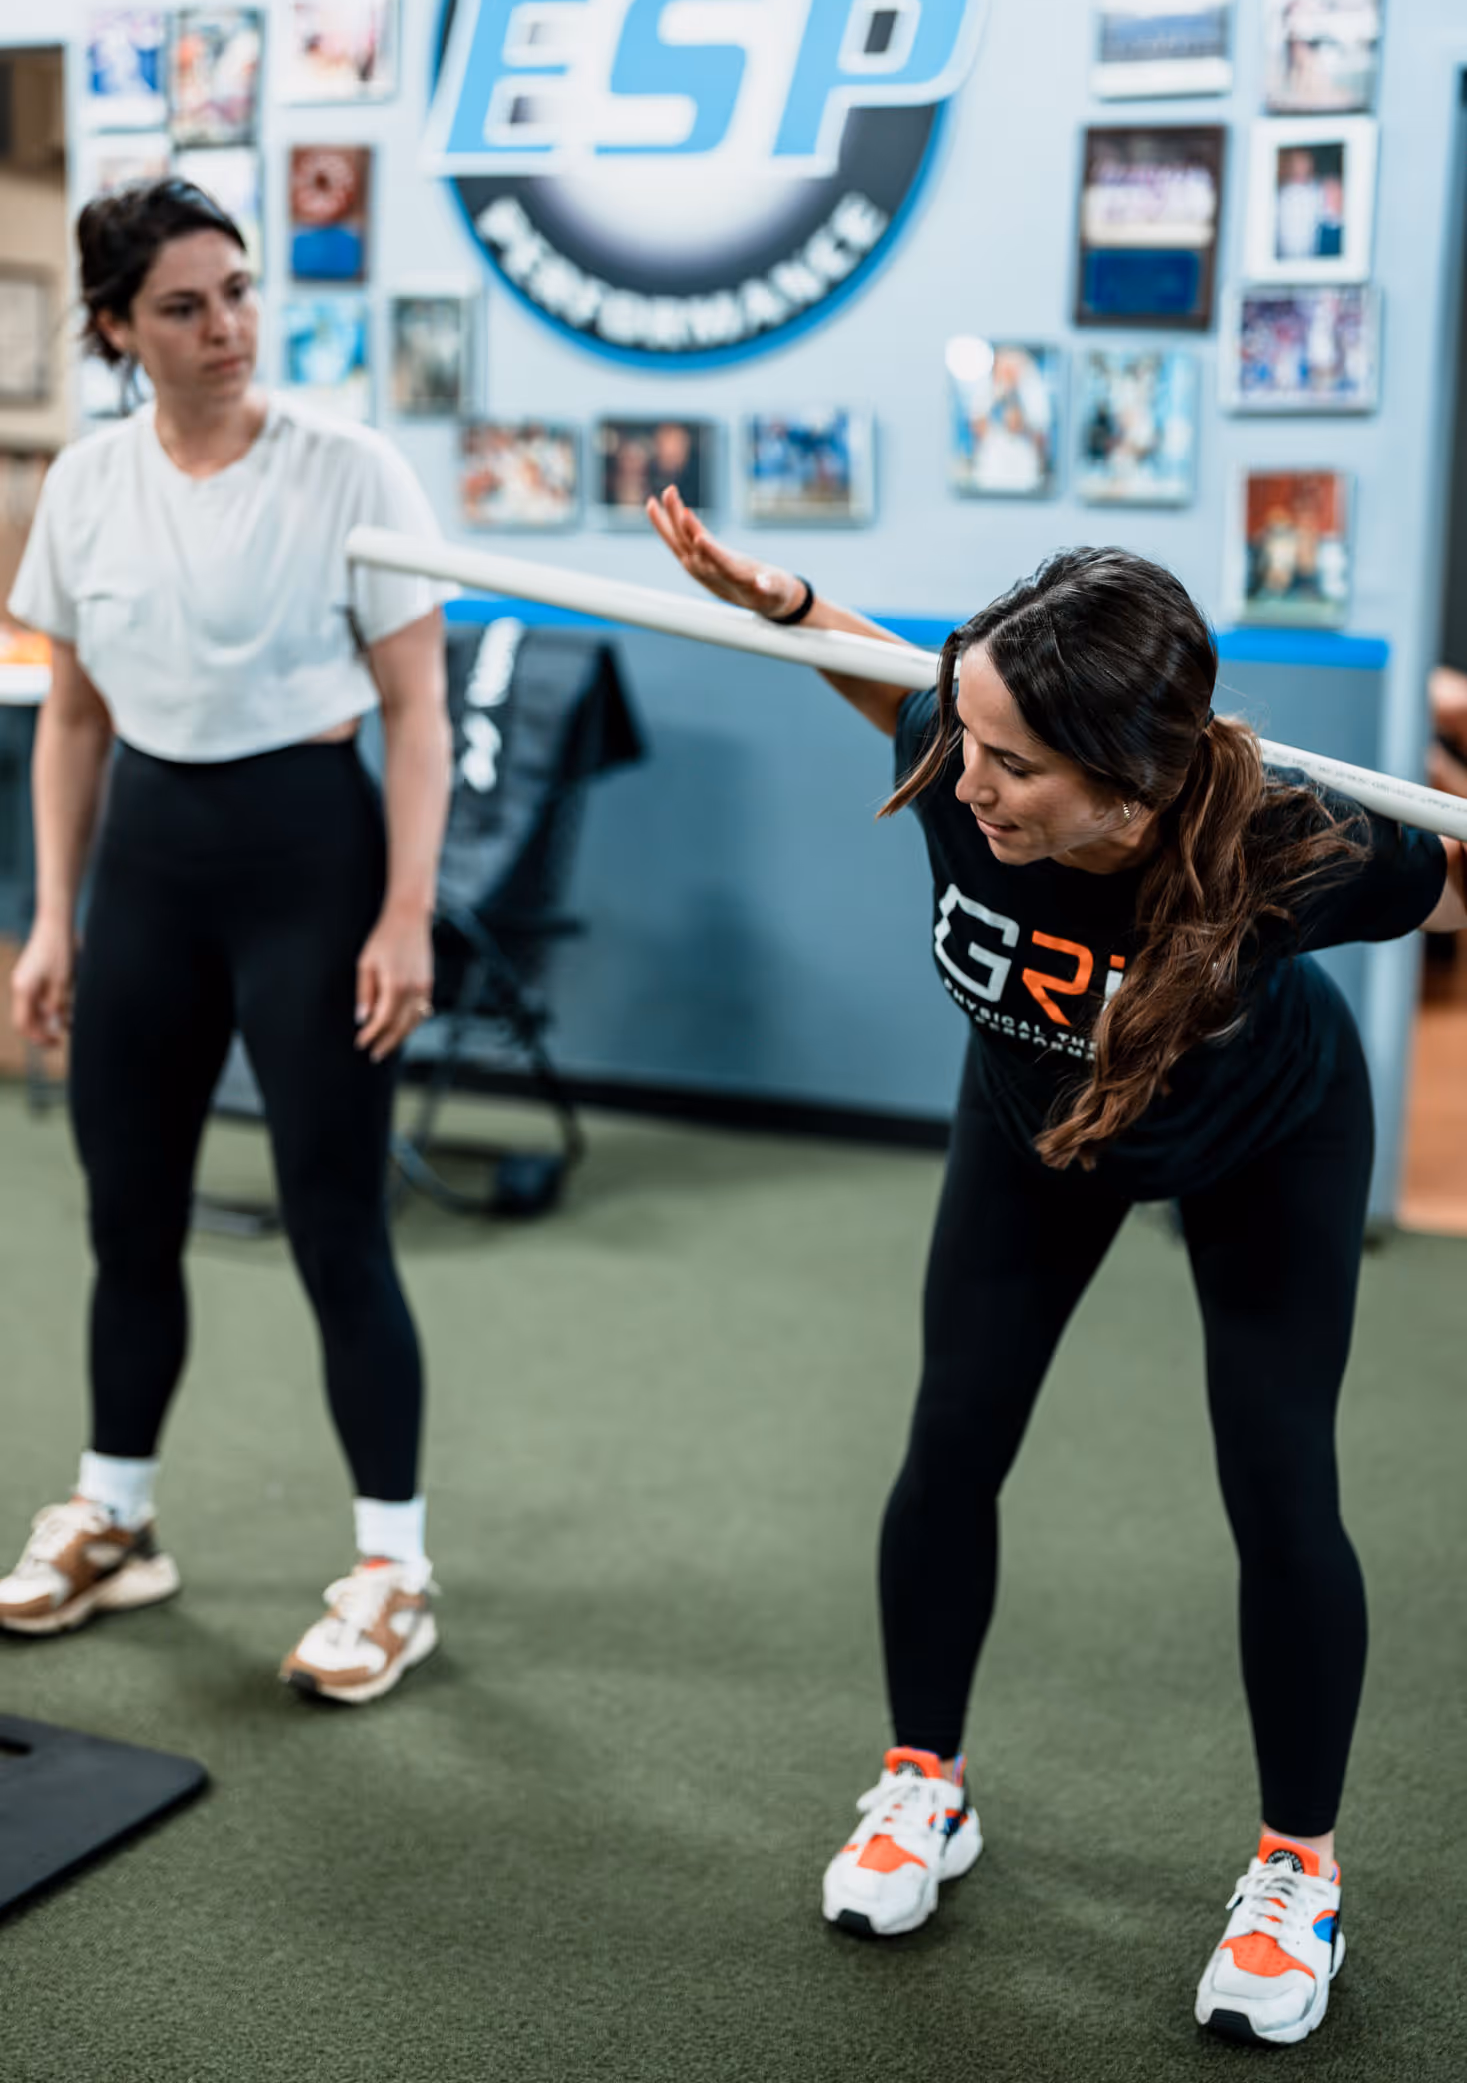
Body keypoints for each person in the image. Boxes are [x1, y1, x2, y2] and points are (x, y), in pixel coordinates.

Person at [646, 487, 1465, 2047]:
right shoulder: (964, 761)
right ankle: (921, 1784)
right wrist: (788, 601)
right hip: (1039, 1127)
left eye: (1013, 764)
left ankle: (1299, 1866)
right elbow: (892, 686)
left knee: (1280, 1485)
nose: (965, 782)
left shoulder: (1294, 852)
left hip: (1262, 1139)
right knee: (950, 1439)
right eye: (965, 737)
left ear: (1139, 796)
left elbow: (1454, 889)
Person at [0, 179, 453, 1705]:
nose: (228, 330)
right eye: (186, 307)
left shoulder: (350, 469)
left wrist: (401, 913)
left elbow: (415, 712)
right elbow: (71, 715)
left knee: (336, 1225)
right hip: (147, 867)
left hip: (308, 863)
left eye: (241, 294)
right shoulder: (86, 482)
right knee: (128, 1216)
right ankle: (116, 1515)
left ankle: (394, 1565)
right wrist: (52, 916)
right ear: (119, 328)